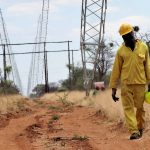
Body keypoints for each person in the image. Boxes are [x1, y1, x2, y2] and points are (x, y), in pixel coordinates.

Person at [109, 23, 150, 140]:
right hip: (126, 84)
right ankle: (134, 131)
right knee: (128, 108)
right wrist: (113, 88)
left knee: (140, 108)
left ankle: (140, 127)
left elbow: (147, 66)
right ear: (122, 38)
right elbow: (116, 70)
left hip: (140, 84)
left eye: (128, 35)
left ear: (133, 33)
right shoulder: (120, 51)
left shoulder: (143, 47)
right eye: (124, 37)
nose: (126, 38)